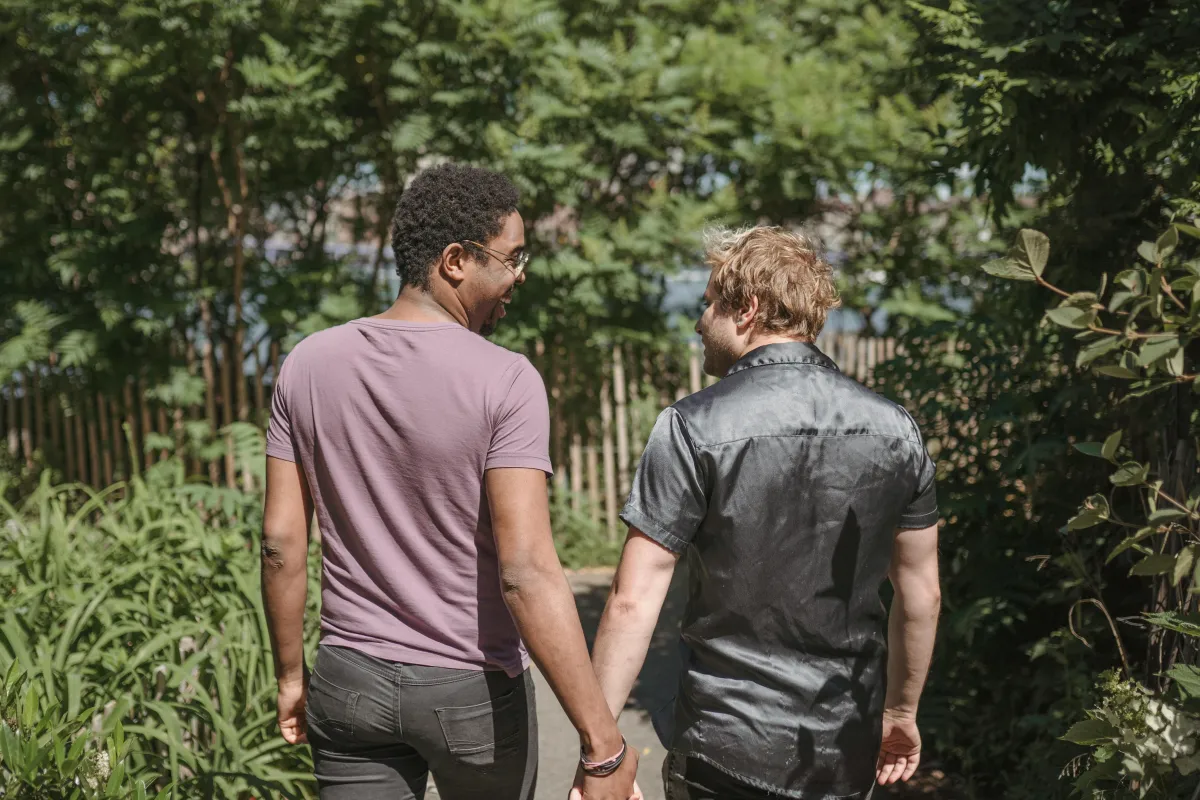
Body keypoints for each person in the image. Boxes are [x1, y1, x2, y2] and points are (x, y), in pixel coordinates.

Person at [259, 163, 638, 800]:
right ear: (455, 260)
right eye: (512, 258)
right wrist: (603, 744)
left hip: (349, 683)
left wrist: (291, 674)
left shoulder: (307, 364)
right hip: (472, 694)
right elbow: (526, 571)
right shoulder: (507, 380)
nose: (521, 276)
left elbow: (279, 544)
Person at [577, 226, 941, 800]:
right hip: (843, 748)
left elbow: (632, 598)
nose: (699, 323)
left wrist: (599, 755)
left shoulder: (692, 426)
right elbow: (921, 595)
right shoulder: (898, 432)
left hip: (723, 750)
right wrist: (900, 710)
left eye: (707, 306)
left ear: (746, 308)